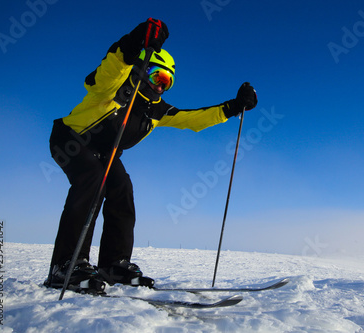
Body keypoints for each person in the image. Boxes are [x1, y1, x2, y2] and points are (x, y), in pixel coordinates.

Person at [44, 18, 257, 291]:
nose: (160, 86)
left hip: (105, 153)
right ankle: (65, 267)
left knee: (122, 188)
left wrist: (234, 106)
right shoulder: (114, 87)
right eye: (158, 76)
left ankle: (113, 264)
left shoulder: (155, 111)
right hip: (70, 140)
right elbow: (113, 66)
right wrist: (135, 42)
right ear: (143, 69)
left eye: (167, 81)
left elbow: (193, 119)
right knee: (92, 179)